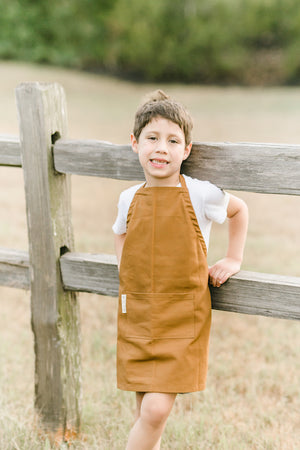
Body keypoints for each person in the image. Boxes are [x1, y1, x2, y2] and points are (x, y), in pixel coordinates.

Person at [112, 90, 248, 450]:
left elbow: (239, 211)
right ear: (135, 143)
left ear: (186, 150)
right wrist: (129, 278)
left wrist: (233, 259)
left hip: (182, 318)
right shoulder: (128, 197)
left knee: (156, 410)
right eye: (152, 138)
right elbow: (121, 234)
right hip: (140, 314)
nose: (161, 148)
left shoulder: (201, 193)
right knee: (144, 409)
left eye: (173, 140)